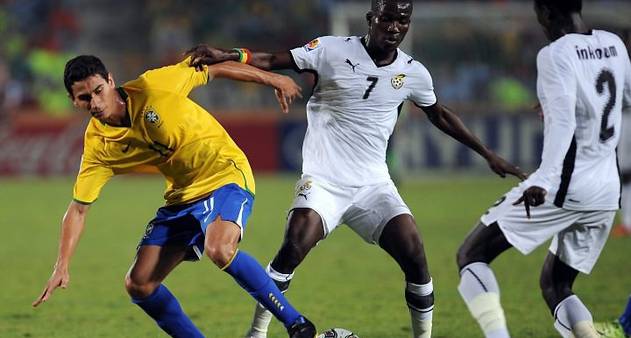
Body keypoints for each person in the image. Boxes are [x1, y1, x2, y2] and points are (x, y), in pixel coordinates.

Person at [187, 1, 525, 337]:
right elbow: (273, 60)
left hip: (373, 186)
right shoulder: (330, 50)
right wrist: (226, 54)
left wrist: (488, 153)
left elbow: (439, 113)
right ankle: (256, 333)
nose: (394, 27)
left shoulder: (414, 73)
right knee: (293, 246)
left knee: (416, 257)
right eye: (387, 19)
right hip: (323, 182)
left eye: (402, 21)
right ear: (371, 19)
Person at [31, 54, 317, 338]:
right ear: (73, 101)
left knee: (219, 249)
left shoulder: (154, 86)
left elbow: (213, 70)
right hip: (181, 196)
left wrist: (274, 79)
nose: (94, 102)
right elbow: (79, 209)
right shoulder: (98, 147)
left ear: (110, 81)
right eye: (83, 98)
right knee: (139, 283)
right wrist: (62, 265)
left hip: (223, 173)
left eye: (98, 91)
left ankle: (297, 324)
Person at [456, 0, 631, 337]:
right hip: (606, 192)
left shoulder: (554, 54)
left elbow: (563, 124)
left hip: (565, 184)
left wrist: (545, 181)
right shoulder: (614, 44)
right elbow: (623, 99)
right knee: (556, 283)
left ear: (547, 13)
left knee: (471, 255)